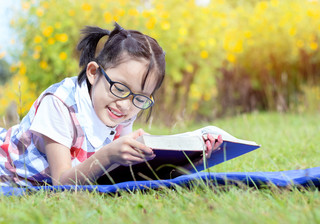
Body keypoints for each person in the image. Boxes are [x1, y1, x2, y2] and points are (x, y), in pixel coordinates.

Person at [0, 23, 222, 187]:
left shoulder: (126, 106)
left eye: (140, 97)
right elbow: (61, 183)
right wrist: (108, 155)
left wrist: (195, 157)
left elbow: (128, 174)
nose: (125, 106)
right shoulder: (59, 105)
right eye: (119, 88)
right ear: (94, 73)